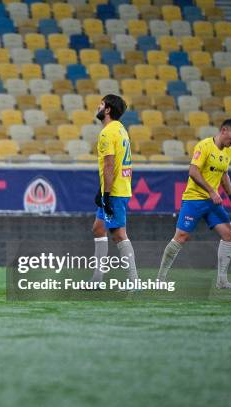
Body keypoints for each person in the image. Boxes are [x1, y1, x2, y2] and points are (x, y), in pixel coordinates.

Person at [157, 119, 231, 289]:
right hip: (194, 199)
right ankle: (160, 278)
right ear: (224, 130)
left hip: (212, 203)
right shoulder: (204, 146)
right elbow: (193, 171)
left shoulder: (228, 152)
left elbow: (224, 175)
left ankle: (222, 281)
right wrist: (212, 191)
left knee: (229, 235)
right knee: (181, 237)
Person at [90, 94, 139, 283]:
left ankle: (134, 280)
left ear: (107, 110)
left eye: (101, 104)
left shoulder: (107, 133)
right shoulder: (121, 129)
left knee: (118, 234)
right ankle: (97, 279)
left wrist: (107, 194)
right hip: (118, 186)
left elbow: (109, 165)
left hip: (115, 191)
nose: (98, 107)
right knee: (98, 228)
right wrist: (102, 190)